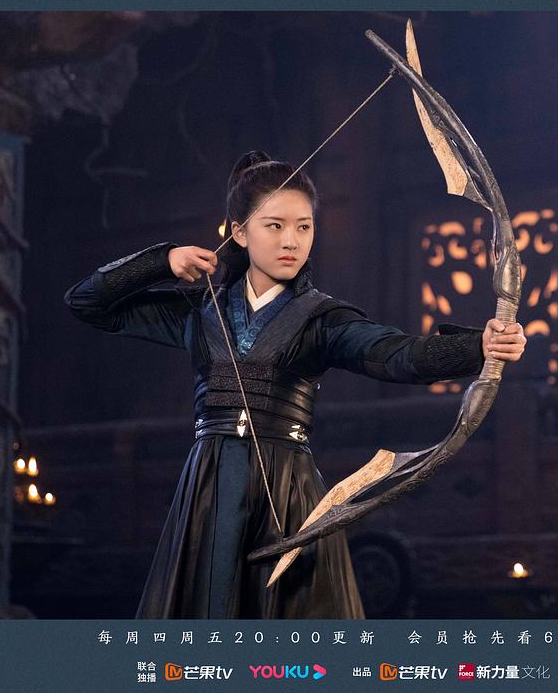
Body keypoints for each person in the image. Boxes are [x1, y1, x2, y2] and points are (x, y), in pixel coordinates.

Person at [63, 150, 527, 619]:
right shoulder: (200, 311)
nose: (291, 241)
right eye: (275, 225)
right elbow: (86, 303)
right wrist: (163, 261)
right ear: (239, 232)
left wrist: (479, 346)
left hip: (288, 491)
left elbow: (397, 355)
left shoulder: (321, 318)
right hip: (207, 486)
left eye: (304, 227)